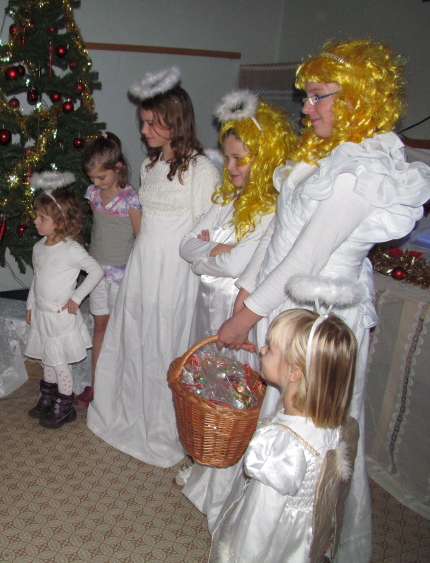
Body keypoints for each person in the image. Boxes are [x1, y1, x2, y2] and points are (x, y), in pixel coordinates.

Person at [216, 40, 430, 561]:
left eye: (318, 96)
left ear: (355, 98)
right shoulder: (325, 154)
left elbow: (305, 258)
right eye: (307, 96)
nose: (306, 108)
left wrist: (244, 318)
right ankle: (262, 523)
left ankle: (305, 539)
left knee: (316, 434)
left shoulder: (363, 169)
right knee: (281, 420)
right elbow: (280, 237)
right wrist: (247, 291)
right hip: (288, 305)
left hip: (323, 319)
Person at [87, 67, 221, 468]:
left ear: (174, 121)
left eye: (151, 123)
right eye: (143, 122)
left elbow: (205, 231)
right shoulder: (149, 167)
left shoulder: (201, 169)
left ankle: (162, 425)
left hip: (174, 271)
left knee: (164, 342)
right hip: (142, 264)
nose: (144, 130)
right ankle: (127, 411)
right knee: (135, 337)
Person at [177, 93, 296, 505]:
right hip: (205, 305)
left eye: (238, 159)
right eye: (227, 158)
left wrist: (208, 252)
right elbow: (185, 246)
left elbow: (238, 265)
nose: (229, 167)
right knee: (205, 385)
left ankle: (226, 476)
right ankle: (205, 459)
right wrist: (215, 252)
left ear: (265, 157)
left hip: (236, 311)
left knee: (235, 392)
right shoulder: (227, 199)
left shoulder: (271, 209)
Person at [210, 308, 359, 562]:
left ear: (294, 373)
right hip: (304, 538)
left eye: (270, 348)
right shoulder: (332, 426)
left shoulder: (283, 446)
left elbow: (260, 520)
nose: (262, 350)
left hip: (274, 541)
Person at [25, 175, 104, 429]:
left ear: (60, 222)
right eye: (37, 216)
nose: (35, 221)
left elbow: (96, 271)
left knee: (59, 363)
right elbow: (37, 279)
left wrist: (77, 298)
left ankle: (65, 404)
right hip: (42, 313)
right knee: (47, 359)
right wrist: (30, 305)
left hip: (60, 315)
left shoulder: (71, 249)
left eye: (42, 218)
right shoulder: (39, 247)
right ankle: (49, 397)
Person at [74, 132, 141, 409]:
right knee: (100, 326)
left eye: (101, 178)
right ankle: (97, 383)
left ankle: (120, 385)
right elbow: (98, 227)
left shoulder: (130, 199)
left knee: (119, 329)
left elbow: (140, 237)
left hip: (121, 274)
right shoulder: (93, 194)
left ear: (118, 167)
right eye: (92, 178)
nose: (96, 183)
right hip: (97, 273)